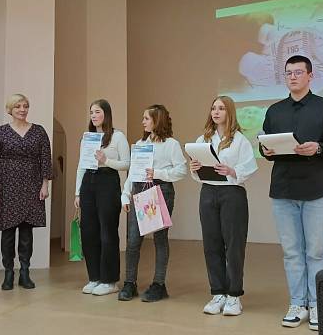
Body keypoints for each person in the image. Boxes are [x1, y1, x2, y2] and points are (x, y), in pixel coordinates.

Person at [260, 55, 323, 331]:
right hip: (283, 190)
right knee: (291, 252)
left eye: (298, 72)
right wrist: (266, 150)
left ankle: (318, 304)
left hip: (317, 191)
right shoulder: (274, 111)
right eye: (288, 73)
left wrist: (319, 148)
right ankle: (298, 303)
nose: (293, 77)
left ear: (310, 76)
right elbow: (265, 146)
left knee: (317, 252)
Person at [190, 96, 258, 316]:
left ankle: (234, 295)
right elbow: (197, 174)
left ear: (229, 112)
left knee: (234, 245)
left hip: (232, 193)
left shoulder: (239, 140)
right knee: (211, 244)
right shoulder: (203, 139)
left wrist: (232, 171)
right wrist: (195, 168)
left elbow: (250, 167)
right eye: (213, 108)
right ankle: (217, 293)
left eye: (221, 108)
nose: (216, 112)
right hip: (208, 193)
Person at [118, 105, 187, 302]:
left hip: (161, 190)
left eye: (146, 118)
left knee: (160, 238)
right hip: (139, 190)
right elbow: (133, 172)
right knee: (133, 239)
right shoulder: (140, 144)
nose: (143, 122)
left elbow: (181, 171)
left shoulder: (171, 144)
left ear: (157, 120)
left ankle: (159, 284)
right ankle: (130, 283)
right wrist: (125, 195)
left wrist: (159, 173)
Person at [0, 94, 52, 290]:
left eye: (25, 106)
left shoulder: (39, 131)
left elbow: (45, 160)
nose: (22, 110)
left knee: (26, 232)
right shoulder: (0, 132)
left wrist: (45, 185)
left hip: (31, 184)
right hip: (6, 186)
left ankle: (24, 272)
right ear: (10, 109)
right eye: (18, 106)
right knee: (7, 233)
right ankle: (8, 273)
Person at [75, 99, 130, 296]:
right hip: (88, 183)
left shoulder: (118, 136)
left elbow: (127, 163)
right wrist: (77, 192)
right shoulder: (87, 138)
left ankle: (110, 280)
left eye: (97, 112)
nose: (93, 115)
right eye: (91, 112)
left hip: (108, 181)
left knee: (107, 232)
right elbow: (81, 165)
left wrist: (106, 160)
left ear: (106, 114)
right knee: (88, 231)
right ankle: (95, 277)